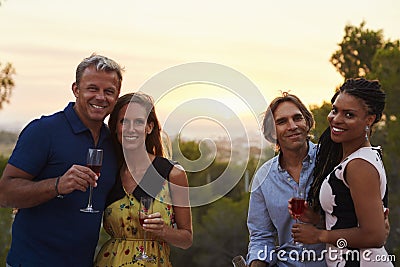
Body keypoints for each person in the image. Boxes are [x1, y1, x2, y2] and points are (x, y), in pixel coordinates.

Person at [0, 54, 123, 267]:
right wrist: (58, 185)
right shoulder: (43, 131)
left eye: (109, 91)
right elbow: (4, 194)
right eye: (92, 89)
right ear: (76, 89)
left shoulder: (114, 143)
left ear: (117, 96)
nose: (101, 97)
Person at [291, 78, 393, 266]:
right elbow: (352, 223)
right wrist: (318, 220)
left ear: (369, 120)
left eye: (349, 115)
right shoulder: (355, 159)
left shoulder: (359, 165)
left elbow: (374, 236)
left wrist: (320, 235)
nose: (336, 119)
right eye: (335, 110)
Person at [94, 92, 193, 267]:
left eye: (138, 122)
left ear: (149, 127)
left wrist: (164, 230)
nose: (131, 128)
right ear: (115, 127)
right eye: (124, 121)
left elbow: (186, 239)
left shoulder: (171, 173)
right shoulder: (109, 173)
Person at [246, 93, 326, 267]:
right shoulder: (264, 177)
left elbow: (352, 221)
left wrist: (319, 221)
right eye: (282, 122)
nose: (292, 126)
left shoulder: (330, 163)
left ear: (307, 123)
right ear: (272, 132)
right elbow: (261, 237)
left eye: (297, 118)